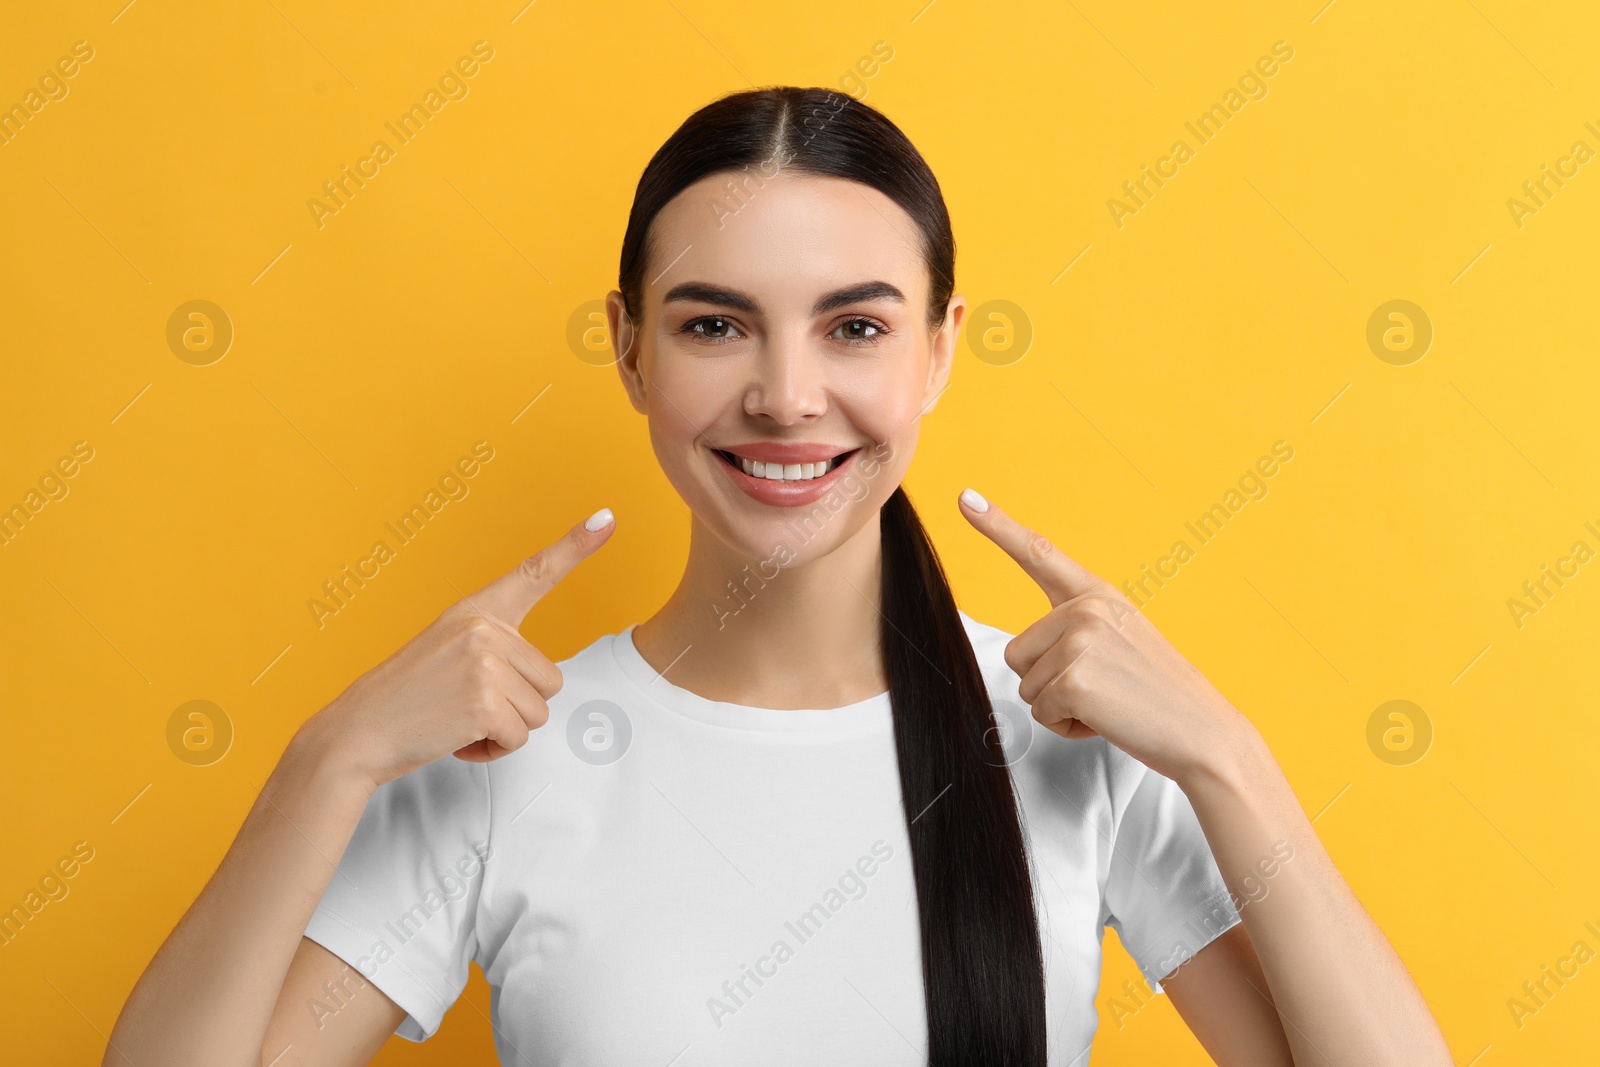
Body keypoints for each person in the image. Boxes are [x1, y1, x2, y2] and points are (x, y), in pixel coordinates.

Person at [104, 86, 1453, 1066]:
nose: (788, 397)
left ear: (936, 350)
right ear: (630, 350)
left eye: (856, 326)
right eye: (713, 325)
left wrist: (1227, 755)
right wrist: (325, 761)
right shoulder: (496, 756)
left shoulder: (1077, 744)